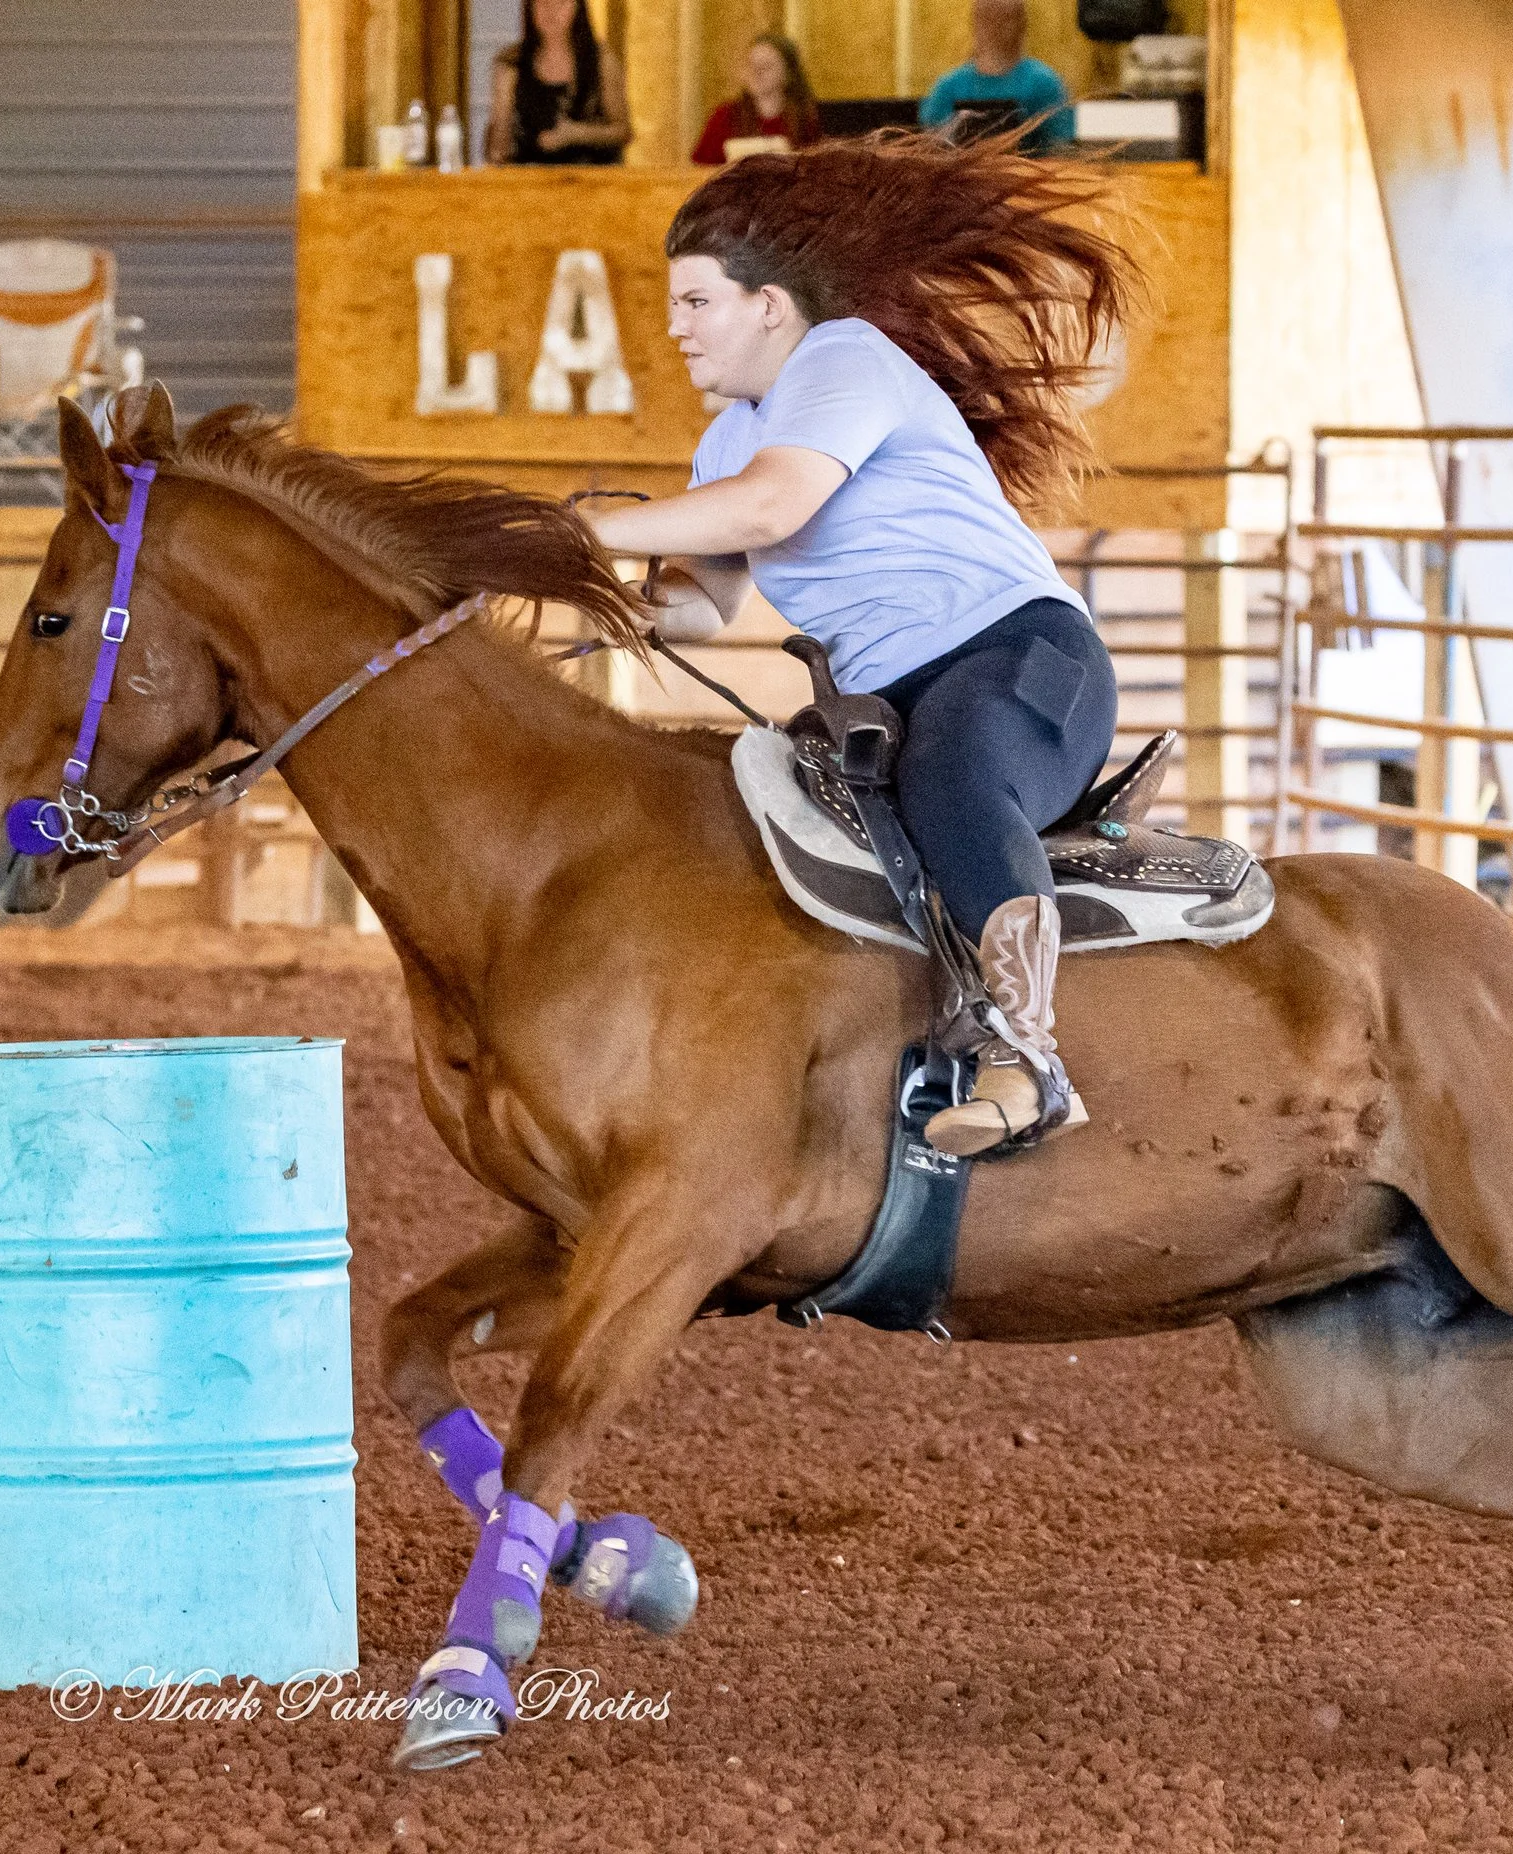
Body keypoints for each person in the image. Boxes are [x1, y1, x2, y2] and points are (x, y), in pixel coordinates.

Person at [584, 136, 1135, 1157]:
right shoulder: (725, 440)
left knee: (956, 771)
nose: (674, 328)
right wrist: (594, 599)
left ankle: (1032, 1062)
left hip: (1022, 659)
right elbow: (707, 608)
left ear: (768, 306)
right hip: (894, 698)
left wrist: (579, 532)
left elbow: (774, 503)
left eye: (695, 301)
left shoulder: (843, 357)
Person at [486, 0, 631, 166]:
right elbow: (498, 147)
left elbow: (623, 131)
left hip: (593, 180)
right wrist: (502, 116)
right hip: (530, 179)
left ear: (578, 8)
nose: (551, 11)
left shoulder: (601, 61)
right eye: (542, 3)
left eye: (560, 3)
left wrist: (576, 133)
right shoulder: (512, 63)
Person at [918, 0, 1073, 153]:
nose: (995, 26)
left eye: (1005, 18)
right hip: (960, 177)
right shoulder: (948, 87)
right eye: (988, 17)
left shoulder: (1044, 84)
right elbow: (928, 150)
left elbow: (1061, 151)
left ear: (1021, 24)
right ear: (975, 22)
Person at [691, 33, 823, 166]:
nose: (756, 72)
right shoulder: (725, 115)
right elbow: (701, 170)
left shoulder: (805, 117)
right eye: (751, 64)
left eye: (766, 66)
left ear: (788, 73)